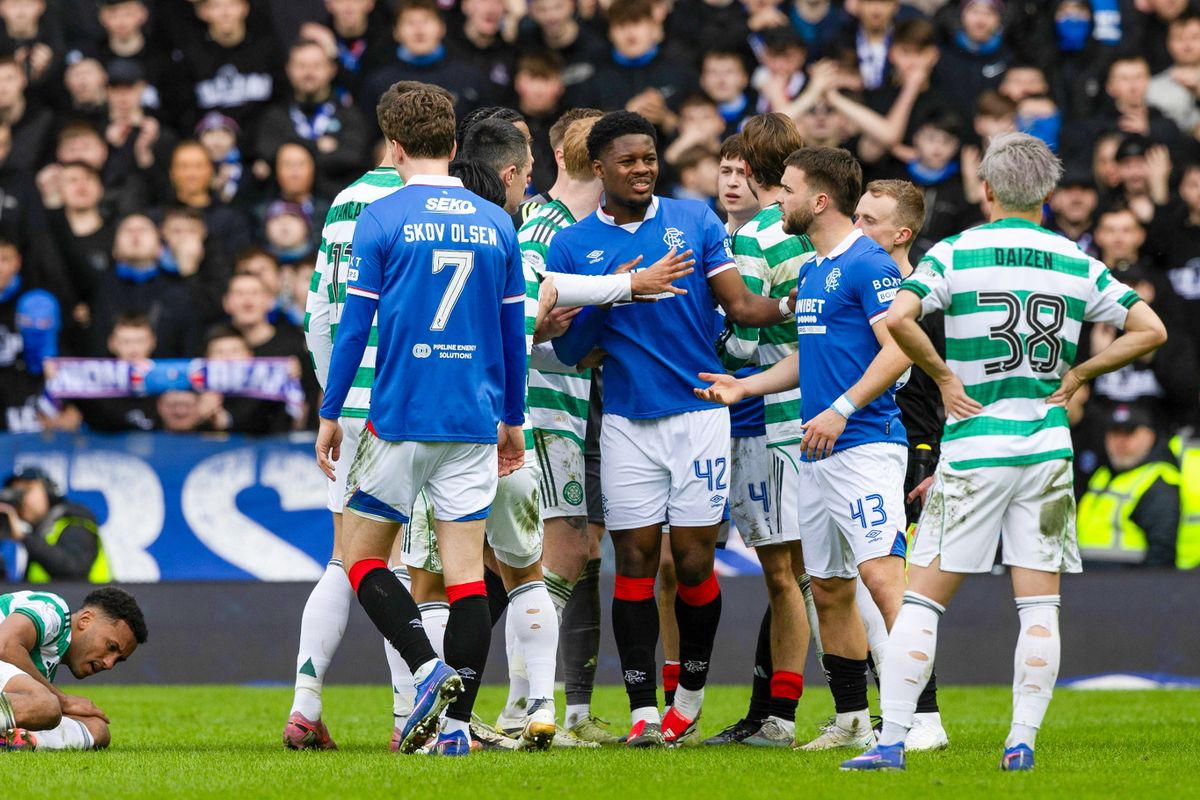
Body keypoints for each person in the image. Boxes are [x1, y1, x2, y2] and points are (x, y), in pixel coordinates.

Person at [845, 131, 1168, 772]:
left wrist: (942, 376)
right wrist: (1078, 376)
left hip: (975, 445)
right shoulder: (1075, 260)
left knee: (922, 601)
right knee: (1039, 605)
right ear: (1045, 195)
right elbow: (1149, 329)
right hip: (1047, 447)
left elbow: (899, 319)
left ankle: (893, 742)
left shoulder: (959, 252)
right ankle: (1020, 741)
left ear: (987, 189)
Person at [548, 110, 794, 747]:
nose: (642, 169)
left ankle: (688, 694)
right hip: (627, 420)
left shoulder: (694, 220)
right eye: (628, 161)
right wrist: (623, 290)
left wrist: (804, 304)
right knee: (631, 559)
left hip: (700, 416)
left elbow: (741, 306)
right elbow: (574, 352)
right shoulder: (573, 245)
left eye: (649, 157)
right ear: (598, 169)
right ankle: (641, 712)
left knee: (690, 561)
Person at [314, 86, 526, 757]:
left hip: (401, 414)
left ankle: (426, 666)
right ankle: (458, 731)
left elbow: (353, 332)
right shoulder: (496, 223)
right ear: (456, 146)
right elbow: (511, 332)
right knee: (467, 577)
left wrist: (329, 412)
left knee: (360, 558)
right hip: (472, 418)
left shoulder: (382, 216)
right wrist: (513, 418)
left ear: (393, 146)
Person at [697, 146, 913, 753]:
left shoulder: (871, 265)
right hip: (818, 452)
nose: (778, 199)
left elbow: (900, 350)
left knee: (881, 576)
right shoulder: (818, 269)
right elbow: (808, 357)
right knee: (829, 586)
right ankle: (852, 718)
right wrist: (747, 384)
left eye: (787, 189)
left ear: (819, 200)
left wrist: (841, 409)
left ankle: (921, 719)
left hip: (866, 444)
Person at [290, 83, 423, 753]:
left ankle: (305, 705)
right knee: (400, 562)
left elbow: (319, 315)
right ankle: (408, 718)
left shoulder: (343, 204)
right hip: (408, 404)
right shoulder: (425, 202)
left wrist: (331, 402)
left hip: (352, 404)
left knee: (345, 558)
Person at [707, 112, 814, 749]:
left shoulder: (755, 238)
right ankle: (778, 709)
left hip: (770, 418)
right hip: (825, 410)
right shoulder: (821, 230)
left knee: (787, 574)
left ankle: (783, 717)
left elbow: (744, 343)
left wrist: (704, 333)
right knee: (814, 573)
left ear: (752, 166)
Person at [851, 177, 949, 750]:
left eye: (869, 220)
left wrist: (938, 458)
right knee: (854, 587)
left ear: (901, 233)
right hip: (854, 446)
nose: (856, 227)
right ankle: (877, 714)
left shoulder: (925, 297)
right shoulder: (856, 281)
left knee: (890, 586)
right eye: (856, 214)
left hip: (908, 453)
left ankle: (921, 716)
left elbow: (947, 386)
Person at [0, 586, 147, 750]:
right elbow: (4, 645)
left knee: (96, 729)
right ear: (86, 620)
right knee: (46, 704)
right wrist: (63, 700)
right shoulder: (54, 609)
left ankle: (14, 741)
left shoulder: (47, 658)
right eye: (111, 647)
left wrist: (57, 702)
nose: (110, 663)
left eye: (118, 660)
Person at [1077, 403, 1181, 568]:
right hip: (1091, 582)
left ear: (1149, 436)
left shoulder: (1156, 481)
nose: (1120, 442)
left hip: (1129, 586)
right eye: (1114, 433)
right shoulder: (1102, 475)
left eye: (1129, 433)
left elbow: (1161, 554)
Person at [0, 468, 108, 583]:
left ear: (49, 491)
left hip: (94, 600)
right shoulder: (38, 535)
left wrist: (24, 537)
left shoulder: (75, 521)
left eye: (26, 490)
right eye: (15, 493)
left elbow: (74, 571)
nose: (21, 499)